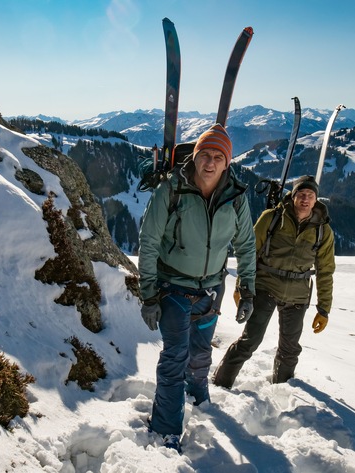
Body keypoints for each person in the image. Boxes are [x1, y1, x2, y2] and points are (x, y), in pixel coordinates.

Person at [138, 123, 256, 452]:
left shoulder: (236, 197)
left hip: (212, 288)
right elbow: (148, 242)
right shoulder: (172, 189)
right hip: (171, 286)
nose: (211, 162)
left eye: (219, 156)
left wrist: (247, 290)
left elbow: (246, 245)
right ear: (195, 155)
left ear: (227, 162)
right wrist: (148, 294)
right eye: (205, 154)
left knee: (201, 351)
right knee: (176, 355)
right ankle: (165, 430)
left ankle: (197, 394)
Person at [212, 175, 335, 387]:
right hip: (266, 286)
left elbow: (325, 270)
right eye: (301, 194)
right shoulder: (272, 218)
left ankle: (282, 389)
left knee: (289, 349)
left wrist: (324, 309)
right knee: (250, 340)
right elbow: (250, 252)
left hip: (298, 294)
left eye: (310, 195)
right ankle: (220, 383)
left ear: (316, 200)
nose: (305, 199)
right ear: (293, 195)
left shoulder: (323, 231)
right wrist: (243, 285)